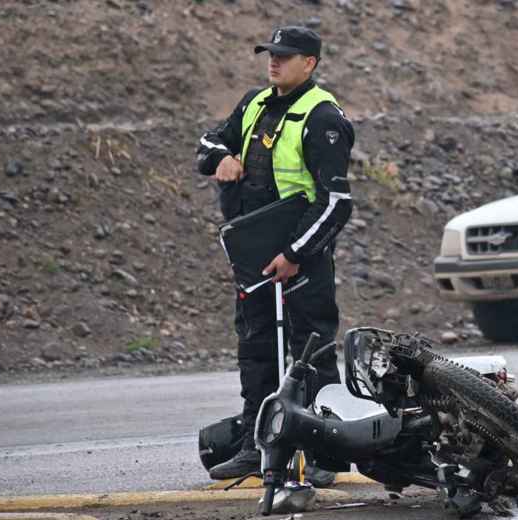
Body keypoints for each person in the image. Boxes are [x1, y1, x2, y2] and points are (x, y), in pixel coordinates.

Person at [195, 26, 354, 484]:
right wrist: (223, 157)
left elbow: (336, 202)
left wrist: (295, 253)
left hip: (301, 257)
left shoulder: (322, 116)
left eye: (284, 55)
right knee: (256, 350)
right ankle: (256, 447)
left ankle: (324, 455)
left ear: (310, 63)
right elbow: (208, 143)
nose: (274, 61)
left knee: (311, 353)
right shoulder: (255, 103)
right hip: (255, 255)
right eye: (271, 53)